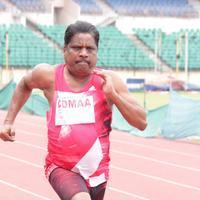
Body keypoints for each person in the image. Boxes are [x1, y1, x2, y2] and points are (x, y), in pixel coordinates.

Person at [0, 21, 147, 200]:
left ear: (96, 52)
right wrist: (8, 121)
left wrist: (113, 96)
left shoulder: (109, 81)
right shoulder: (48, 76)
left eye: (90, 49)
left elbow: (141, 123)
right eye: (77, 47)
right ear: (65, 50)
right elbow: (24, 84)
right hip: (61, 167)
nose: (83, 53)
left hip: (97, 172)